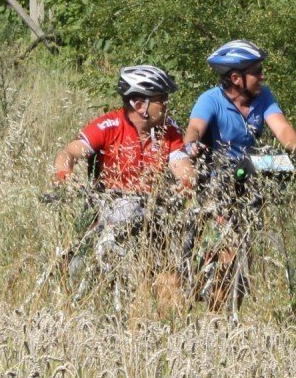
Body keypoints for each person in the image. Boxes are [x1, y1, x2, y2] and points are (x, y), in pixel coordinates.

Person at [50, 64, 196, 262]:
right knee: (80, 261)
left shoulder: (168, 130)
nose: (166, 104)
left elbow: (183, 167)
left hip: (153, 210)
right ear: (140, 105)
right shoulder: (109, 125)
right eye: (161, 99)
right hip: (109, 205)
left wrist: (185, 182)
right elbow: (69, 152)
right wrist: (64, 174)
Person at [183, 40, 296, 173]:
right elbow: (195, 128)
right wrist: (192, 144)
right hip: (219, 175)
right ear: (236, 78)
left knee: (284, 166)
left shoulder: (263, 95)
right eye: (256, 72)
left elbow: (282, 128)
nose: (262, 76)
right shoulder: (210, 99)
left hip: (250, 170)